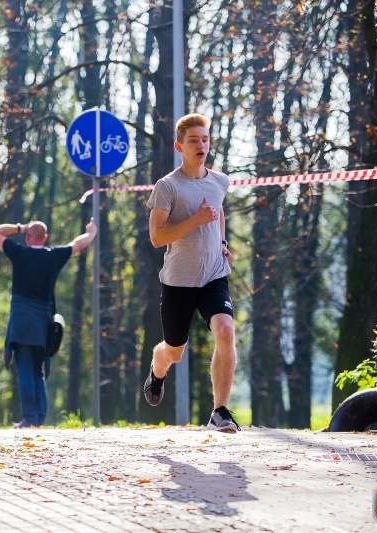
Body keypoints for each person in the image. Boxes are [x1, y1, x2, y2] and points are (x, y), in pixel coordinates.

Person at [144, 113, 241, 433]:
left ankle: (220, 412)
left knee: (225, 330)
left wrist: (222, 241)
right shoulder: (167, 187)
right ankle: (157, 371)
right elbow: (157, 237)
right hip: (178, 282)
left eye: (205, 139)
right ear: (179, 147)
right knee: (174, 351)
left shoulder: (220, 181)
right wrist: (195, 221)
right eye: (193, 140)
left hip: (214, 274)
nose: (201, 145)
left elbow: (218, 211)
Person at [0, 218, 97, 428]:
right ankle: (38, 417)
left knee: (26, 369)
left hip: (21, 321)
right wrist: (91, 232)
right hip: (43, 322)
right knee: (37, 370)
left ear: (28, 237)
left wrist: (20, 227)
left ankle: (29, 418)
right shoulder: (54, 256)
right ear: (45, 238)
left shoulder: (19, 253)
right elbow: (79, 244)